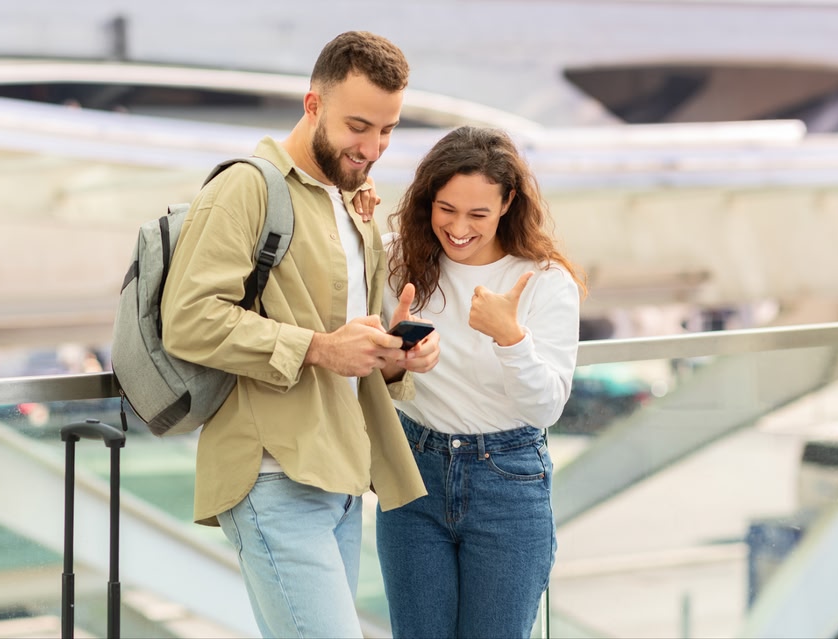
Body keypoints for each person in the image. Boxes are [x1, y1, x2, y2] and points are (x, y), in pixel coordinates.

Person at [160, 31, 439, 638]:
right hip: (272, 474)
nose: (372, 147)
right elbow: (189, 318)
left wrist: (392, 356)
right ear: (313, 105)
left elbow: (342, 341)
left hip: (339, 476)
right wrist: (320, 347)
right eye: (358, 126)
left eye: (388, 130)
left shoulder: (348, 199)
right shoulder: (247, 187)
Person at [376, 125, 587, 639]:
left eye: (478, 214)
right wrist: (396, 363)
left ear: (508, 202)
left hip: (508, 482)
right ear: (428, 198)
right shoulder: (394, 260)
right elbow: (366, 366)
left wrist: (510, 338)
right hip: (412, 473)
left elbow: (546, 408)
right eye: (446, 209)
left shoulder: (544, 280)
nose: (459, 228)